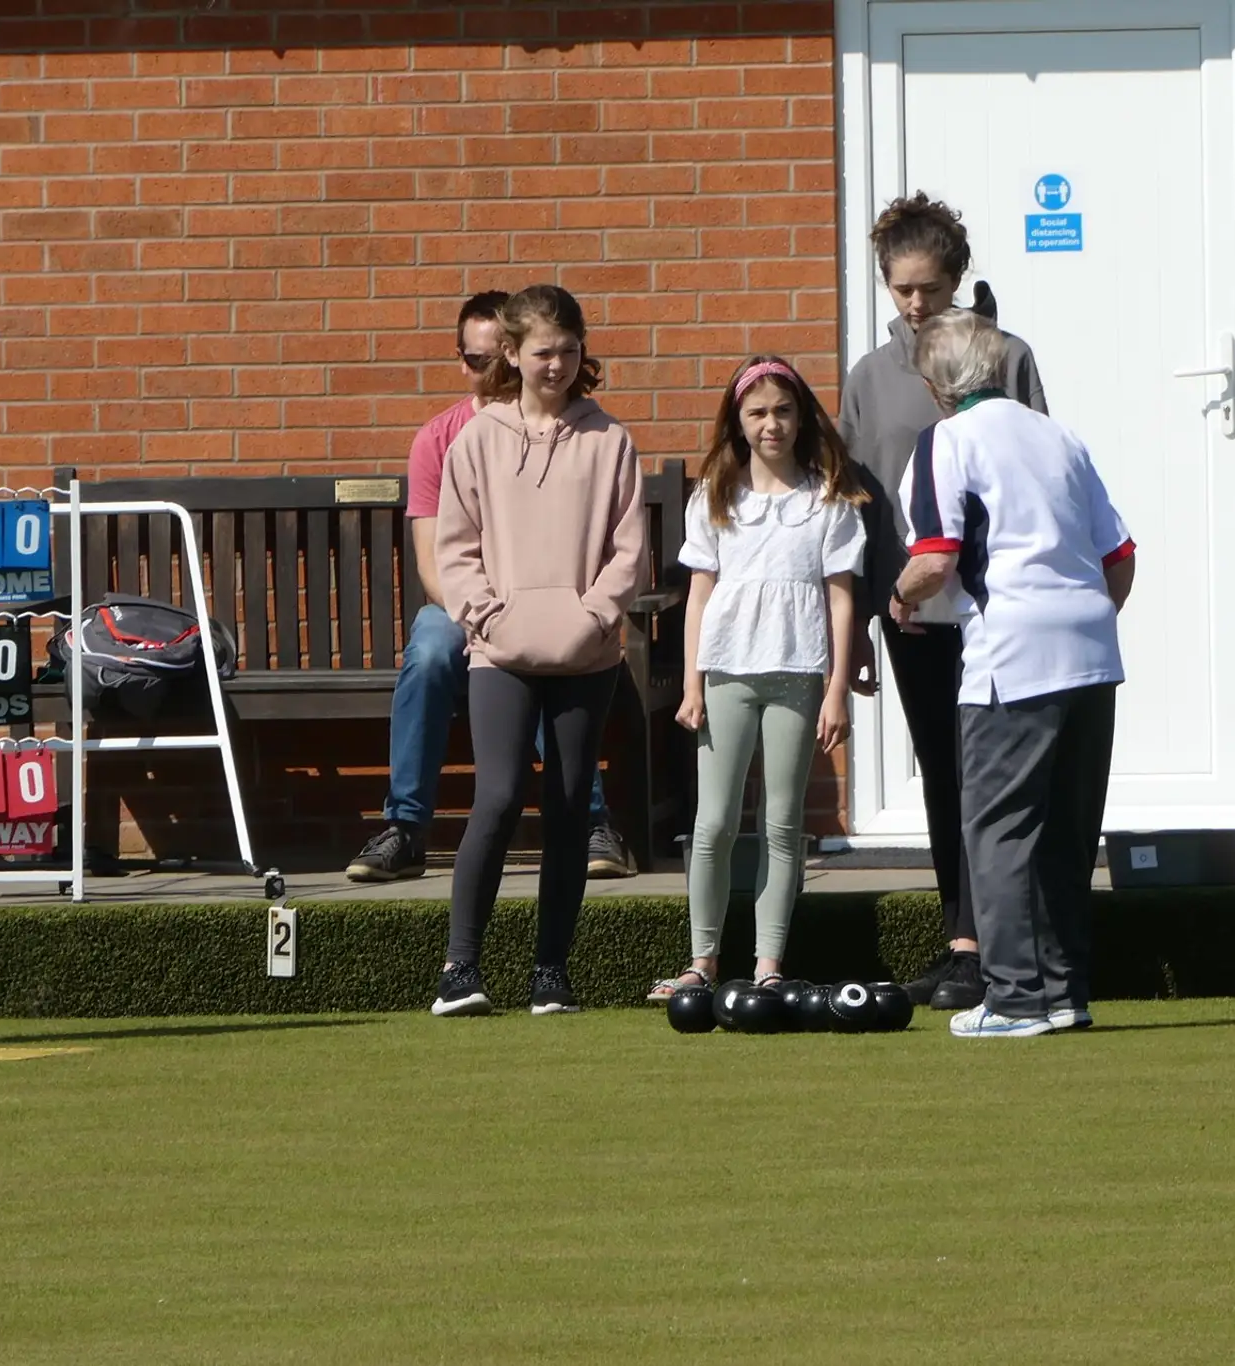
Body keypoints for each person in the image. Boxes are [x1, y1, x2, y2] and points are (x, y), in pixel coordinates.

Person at [889, 309, 1135, 1038]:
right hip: (1091, 652)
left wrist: (897, 599)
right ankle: (1064, 994)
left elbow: (934, 558)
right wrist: (1085, 617)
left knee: (995, 828)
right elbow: (1119, 558)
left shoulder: (946, 440)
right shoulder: (1060, 435)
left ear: (937, 385)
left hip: (1010, 655)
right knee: (1067, 831)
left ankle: (1015, 999)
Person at [836, 193, 1048, 1012]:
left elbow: (1038, 468)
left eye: (929, 287)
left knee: (997, 772)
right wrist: (854, 626)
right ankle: (965, 943)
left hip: (998, 604)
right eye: (902, 290)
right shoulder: (869, 379)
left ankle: (1008, 943)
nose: (916, 304)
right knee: (944, 770)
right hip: (909, 609)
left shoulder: (1010, 357)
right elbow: (855, 510)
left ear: (957, 278)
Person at [345, 292, 637, 883]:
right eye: (477, 361)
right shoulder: (444, 438)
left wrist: (553, 617)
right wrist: (491, 616)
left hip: (550, 601)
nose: (491, 371)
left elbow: (621, 549)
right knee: (431, 652)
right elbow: (437, 560)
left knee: (547, 649)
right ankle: (405, 826)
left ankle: (592, 821)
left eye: (494, 358)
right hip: (463, 603)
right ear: (472, 360)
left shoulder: (597, 437)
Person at [430, 284, 646, 1016]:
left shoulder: (610, 440)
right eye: (543, 351)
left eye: (570, 350)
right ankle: (461, 968)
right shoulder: (477, 439)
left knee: (565, 808)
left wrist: (595, 615)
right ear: (513, 354)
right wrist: (485, 612)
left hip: (587, 657)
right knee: (495, 797)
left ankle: (550, 971)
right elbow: (454, 547)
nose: (557, 364)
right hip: (500, 651)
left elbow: (629, 550)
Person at [647, 356, 866, 999]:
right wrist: (692, 681)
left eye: (783, 410)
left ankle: (770, 964)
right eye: (757, 413)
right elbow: (697, 595)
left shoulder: (828, 498)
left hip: (799, 673)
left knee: (781, 821)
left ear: (801, 416)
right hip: (726, 673)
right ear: (738, 422)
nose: (772, 424)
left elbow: (841, 598)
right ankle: (703, 961)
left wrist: (836, 690)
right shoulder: (716, 496)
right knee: (713, 822)